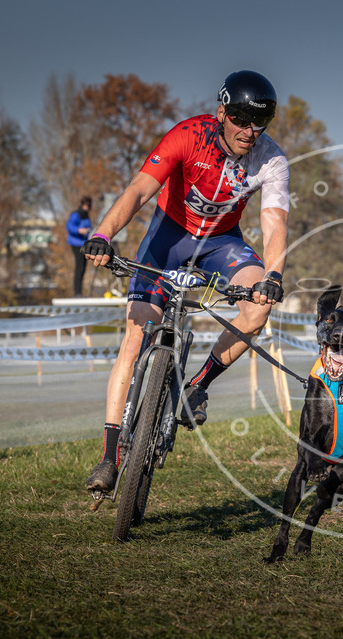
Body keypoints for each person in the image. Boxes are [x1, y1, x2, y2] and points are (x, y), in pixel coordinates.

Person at [81, 70, 290, 493]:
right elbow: (140, 189)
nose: (250, 132)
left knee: (258, 308)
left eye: (259, 123)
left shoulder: (271, 160)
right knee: (136, 334)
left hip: (221, 244)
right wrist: (104, 234)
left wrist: (272, 275)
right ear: (222, 112)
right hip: (168, 237)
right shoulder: (188, 136)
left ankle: (195, 387)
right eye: (241, 120)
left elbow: (273, 222)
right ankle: (108, 456)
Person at [66, 196, 93, 297]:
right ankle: (77, 292)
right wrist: (79, 230)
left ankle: (79, 291)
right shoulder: (76, 214)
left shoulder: (86, 215)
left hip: (84, 243)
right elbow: (69, 226)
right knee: (79, 267)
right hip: (76, 243)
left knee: (83, 268)